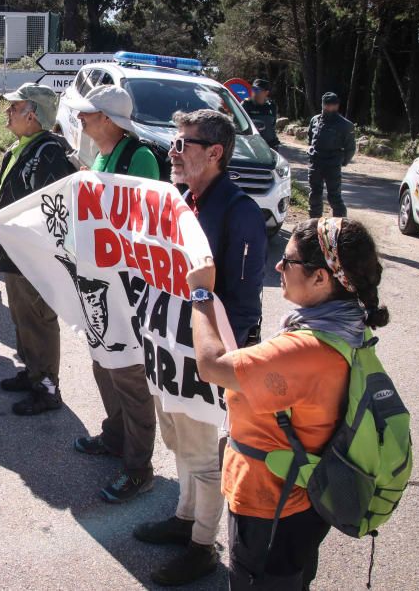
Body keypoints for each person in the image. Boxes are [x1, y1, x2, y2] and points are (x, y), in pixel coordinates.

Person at [185, 217, 387, 589]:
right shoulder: (348, 326)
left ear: (321, 278)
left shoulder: (304, 351)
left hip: (271, 507)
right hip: (304, 499)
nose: (278, 265)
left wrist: (200, 295)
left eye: (289, 261)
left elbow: (211, 366)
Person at [133, 108, 267, 586]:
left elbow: (246, 302)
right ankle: (185, 516)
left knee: (204, 455)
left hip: (202, 358)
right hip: (167, 346)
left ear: (215, 152)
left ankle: (202, 546)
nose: (172, 151)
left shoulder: (239, 211)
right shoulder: (182, 200)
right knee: (177, 441)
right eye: (174, 141)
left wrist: (229, 365)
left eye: (183, 143)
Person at [64, 84, 162, 501]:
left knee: (129, 376)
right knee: (104, 364)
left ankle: (139, 468)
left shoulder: (137, 156)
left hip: (128, 284)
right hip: (102, 280)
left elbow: (143, 219)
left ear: (108, 120)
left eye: (89, 115)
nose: (82, 120)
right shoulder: (103, 153)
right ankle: (115, 435)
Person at [0, 83, 76, 414]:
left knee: (39, 320)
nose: (8, 113)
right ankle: (32, 372)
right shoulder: (22, 146)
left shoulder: (49, 151)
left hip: (34, 256)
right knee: (23, 317)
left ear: (33, 114)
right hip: (15, 252)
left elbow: (51, 211)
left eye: (14, 108)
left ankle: (47, 387)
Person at [307, 92, 356, 218]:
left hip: (332, 165)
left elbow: (350, 148)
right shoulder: (315, 120)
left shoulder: (345, 125)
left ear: (338, 106)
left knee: (334, 197)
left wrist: (341, 161)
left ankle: (340, 225)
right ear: (323, 105)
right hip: (316, 163)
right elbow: (310, 138)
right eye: (328, 105)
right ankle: (314, 224)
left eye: (334, 105)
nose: (331, 108)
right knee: (314, 195)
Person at [242, 78, 278, 149]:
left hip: (270, 146)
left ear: (266, 93)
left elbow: (272, 124)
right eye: (253, 89)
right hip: (252, 146)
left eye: (257, 90)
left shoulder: (271, 106)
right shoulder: (246, 105)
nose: (254, 92)